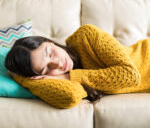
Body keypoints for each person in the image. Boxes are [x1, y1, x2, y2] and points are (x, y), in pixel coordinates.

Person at [5, 24, 150, 109]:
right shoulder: (66, 80)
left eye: (50, 53)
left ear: (49, 41)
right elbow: (71, 96)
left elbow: (130, 75)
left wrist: (69, 76)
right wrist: (25, 80)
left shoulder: (86, 36)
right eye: (47, 69)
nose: (59, 64)